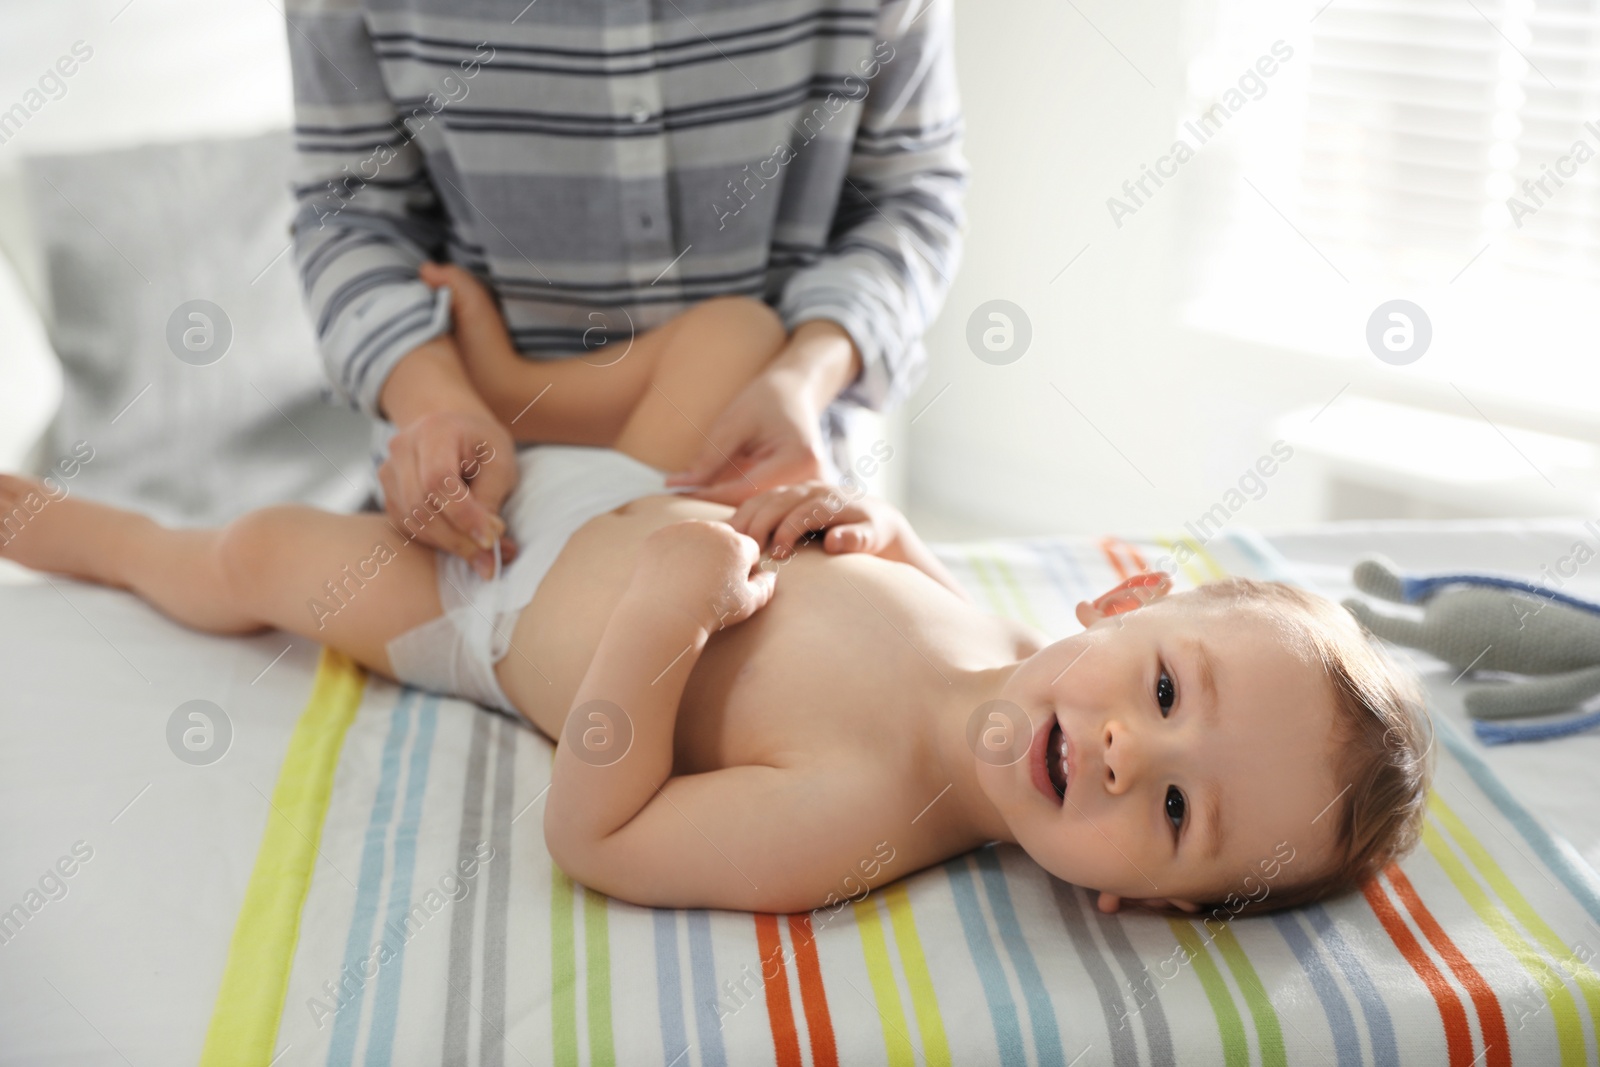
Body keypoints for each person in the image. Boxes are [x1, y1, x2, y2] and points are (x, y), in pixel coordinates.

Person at [0, 269, 1432, 917]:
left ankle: (87, 530)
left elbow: (601, 834)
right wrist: (857, 519)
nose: (1132, 749)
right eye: (1172, 688)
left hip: (493, 599)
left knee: (253, 552)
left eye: (1177, 811)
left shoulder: (861, 817)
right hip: (627, 479)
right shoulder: (997, 627)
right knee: (739, 331)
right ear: (1122, 609)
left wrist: (663, 619)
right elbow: (883, 577)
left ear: (1124, 895)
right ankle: (508, 389)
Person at [285, 0, 968, 580]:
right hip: (472, 492)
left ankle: (512, 394)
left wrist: (803, 377)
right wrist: (434, 401)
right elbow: (349, 213)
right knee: (741, 342)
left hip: (739, 488)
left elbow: (908, 198)